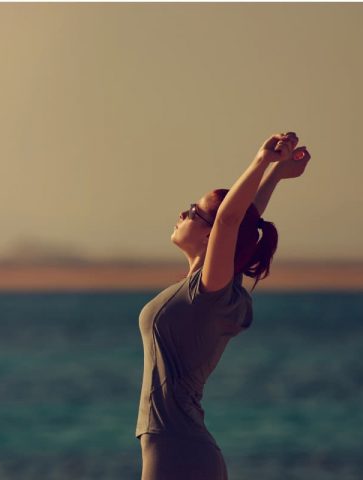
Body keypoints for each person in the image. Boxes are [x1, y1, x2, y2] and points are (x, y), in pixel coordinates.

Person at [136, 132, 312, 480]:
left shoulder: (209, 290)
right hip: (182, 449)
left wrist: (263, 161)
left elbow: (232, 221)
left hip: (175, 450)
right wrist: (276, 175)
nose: (183, 213)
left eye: (193, 212)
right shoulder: (213, 284)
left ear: (210, 234)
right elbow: (244, 220)